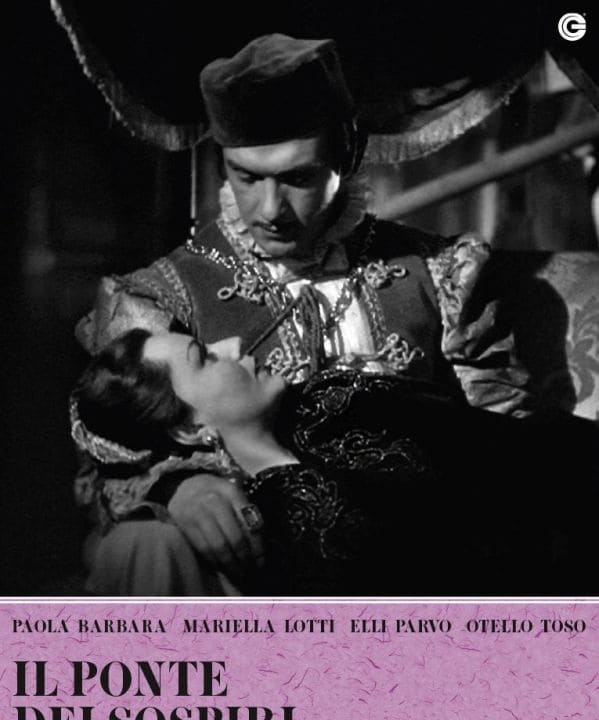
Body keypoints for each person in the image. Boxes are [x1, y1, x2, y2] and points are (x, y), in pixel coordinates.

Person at [75, 34, 538, 579]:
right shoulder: (157, 296)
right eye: (247, 176)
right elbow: (105, 462)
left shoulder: (442, 272)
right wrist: (179, 487)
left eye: (298, 178)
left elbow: (508, 446)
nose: (271, 209)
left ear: (348, 154)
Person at [73, 328, 598, 595]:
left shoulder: (333, 402)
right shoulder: (251, 533)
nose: (231, 343)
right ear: (190, 428)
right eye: (205, 357)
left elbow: (516, 449)